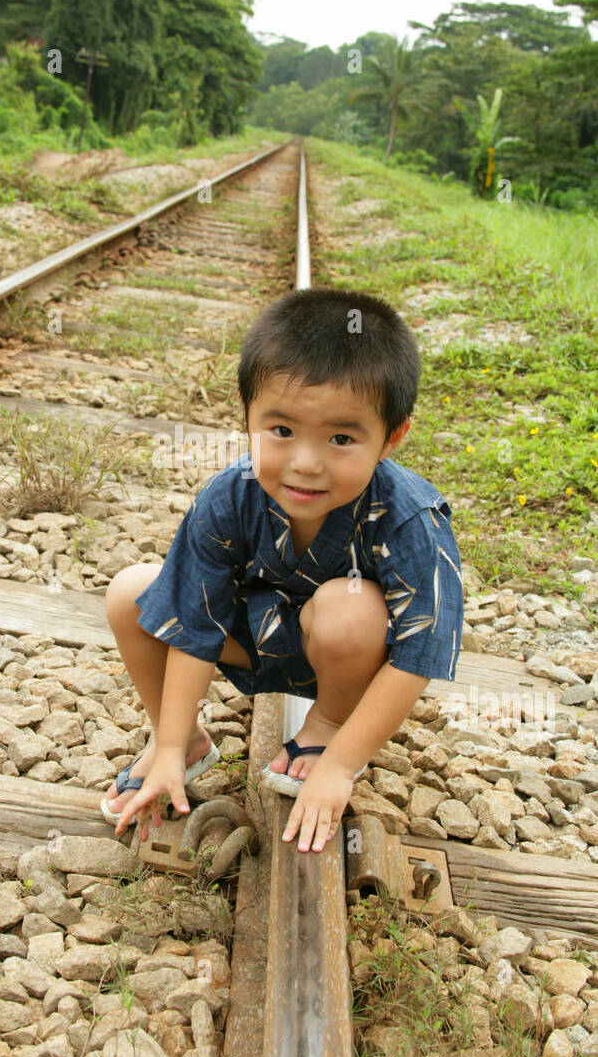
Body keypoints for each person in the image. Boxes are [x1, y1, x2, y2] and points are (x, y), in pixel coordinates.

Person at [103, 286, 464, 854]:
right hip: (255, 640)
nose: (306, 462)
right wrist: (169, 745)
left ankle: (325, 727)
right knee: (131, 593)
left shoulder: (409, 518)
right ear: (247, 416)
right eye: (282, 431)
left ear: (392, 437)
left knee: (351, 610)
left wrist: (342, 767)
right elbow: (194, 624)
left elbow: (417, 655)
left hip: (345, 655)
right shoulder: (230, 496)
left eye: (342, 438)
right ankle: (184, 744)